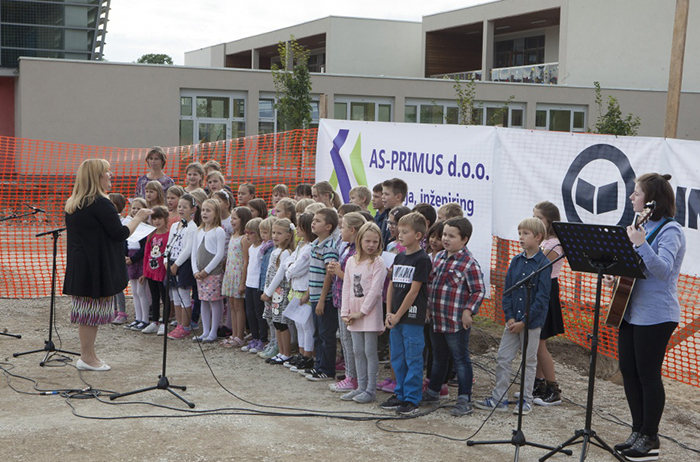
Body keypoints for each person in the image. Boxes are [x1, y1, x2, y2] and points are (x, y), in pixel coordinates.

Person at [605, 173, 686, 461]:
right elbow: (634, 266)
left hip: (656, 315)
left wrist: (641, 244)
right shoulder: (641, 225)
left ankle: (651, 437)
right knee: (628, 370)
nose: (631, 197)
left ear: (652, 200)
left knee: (648, 375)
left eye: (636, 193)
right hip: (630, 311)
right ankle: (637, 430)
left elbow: (663, 270)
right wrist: (615, 275)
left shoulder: (671, 230)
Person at [63, 158, 152, 371]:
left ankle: (89, 355)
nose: (110, 175)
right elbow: (120, 233)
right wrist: (139, 217)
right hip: (94, 266)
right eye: (107, 172)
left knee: (87, 312)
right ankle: (87, 357)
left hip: (82, 265)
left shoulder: (75, 202)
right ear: (97, 176)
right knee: (89, 314)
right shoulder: (100, 203)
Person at [474, 217, 551, 415]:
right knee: (503, 357)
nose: (521, 237)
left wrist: (524, 321)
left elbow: (542, 298)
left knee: (528, 361)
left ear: (538, 237)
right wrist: (509, 316)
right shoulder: (516, 261)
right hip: (512, 321)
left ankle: (526, 400)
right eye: (519, 233)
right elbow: (507, 290)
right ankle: (499, 398)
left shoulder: (543, 264)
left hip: (530, 323)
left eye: (525, 234)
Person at [422, 217, 486, 416]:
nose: (446, 239)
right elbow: (430, 284)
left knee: (460, 359)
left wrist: (468, 311)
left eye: (451, 236)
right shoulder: (438, 258)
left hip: (455, 321)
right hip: (437, 319)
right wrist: (427, 308)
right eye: (444, 235)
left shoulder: (469, 263)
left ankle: (464, 399)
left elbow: (478, 290)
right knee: (438, 357)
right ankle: (433, 391)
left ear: (464, 239)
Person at [381, 212, 432, 415]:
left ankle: (412, 398)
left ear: (418, 235)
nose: (399, 235)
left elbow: (414, 291)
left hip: (411, 317)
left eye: (404, 232)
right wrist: (389, 312)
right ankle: (400, 393)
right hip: (395, 317)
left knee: (413, 358)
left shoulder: (422, 259)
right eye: (399, 231)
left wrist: (398, 314)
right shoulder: (399, 256)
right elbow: (392, 285)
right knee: (398, 357)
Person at [340, 222, 387, 404]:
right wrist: (345, 312)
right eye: (367, 241)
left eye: (375, 241)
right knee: (357, 350)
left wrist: (362, 312)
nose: (371, 245)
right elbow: (347, 287)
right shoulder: (351, 261)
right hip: (353, 313)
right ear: (360, 240)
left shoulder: (378, 262)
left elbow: (376, 291)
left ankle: (370, 389)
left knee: (369, 351)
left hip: (369, 313)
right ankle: (360, 386)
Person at [328, 212, 367, 393]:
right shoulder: (346, 248)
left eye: (342, 227)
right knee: (345, 339)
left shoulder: (358, 252)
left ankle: (354, 377)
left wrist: (339, 272)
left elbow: (356, 281)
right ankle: (350, 375)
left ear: (352, 230)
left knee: (350, 340)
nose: (340, 230)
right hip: (341, 298)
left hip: (352, 301)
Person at [532, 200, 566, 406]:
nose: (535, 221)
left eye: (539, 218)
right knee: (537, 341)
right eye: (533, 217)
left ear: (549, 222)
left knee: (540, 343)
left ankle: (553, 389)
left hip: (547, 292)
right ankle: (539, 384)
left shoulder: (553, 244)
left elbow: (536, 264)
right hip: (539, 291)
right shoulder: (545, 242)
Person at [304, 207, 340, 381]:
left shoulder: (329, 247)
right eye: (313, 220)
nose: (313, 223)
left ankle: (327, 369)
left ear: (328, 226)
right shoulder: (315, 244)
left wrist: (321, 299)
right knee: (317, 333)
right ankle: (318, 365)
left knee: (326, 335)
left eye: (318, 221)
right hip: (314, 296)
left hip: (324, 298)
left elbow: (329, 275)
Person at [191, 199, 227, 343]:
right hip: (200, 274)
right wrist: (195, 270)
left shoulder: (219, 231)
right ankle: (205, 331)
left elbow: (219, 254)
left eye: (208, 210)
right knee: (203, 301)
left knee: (214, 301)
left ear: (216, 213)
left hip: (212, 273)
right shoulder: (198, 231)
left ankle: (213, 331)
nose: (204, 213)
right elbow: (194, 252)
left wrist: (206, 270)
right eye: (203, 210)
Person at [284, 212, 316, 372]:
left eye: (299, 226)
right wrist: (290, 268)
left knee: (306, 326)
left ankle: (308, 355)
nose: (296, 228)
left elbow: (296, 268)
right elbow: (288, 261)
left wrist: (290, 269)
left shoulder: (309, 249)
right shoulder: (300, 246)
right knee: (299, 325)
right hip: (296, 289)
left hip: (304, 290)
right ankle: (302, 353)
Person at [261, 218, 296, 364]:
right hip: (271, 292)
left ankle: (286, 352)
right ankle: (280, 351)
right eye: (274, 232)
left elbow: (279, 275)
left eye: (279, 233)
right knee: (276, 322)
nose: (275, 236)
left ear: (288, 235)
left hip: (280, 292)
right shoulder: (275, 251)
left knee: (282, 323)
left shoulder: (286, 253)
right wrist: (266, 290)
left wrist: (268, 292)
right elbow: (269, 273)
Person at [166, 194, 199, 340]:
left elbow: (188, 249)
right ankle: (179, 324)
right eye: (179, 206)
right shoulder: (175, 225)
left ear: (193, 209)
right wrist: (165, 260)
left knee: (184, 295)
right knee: (175, 295)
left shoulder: (192, 228)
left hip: (183, 264)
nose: (181, 209)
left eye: (185, 207)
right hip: (172, 261)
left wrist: (176, 265)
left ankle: (185, 326)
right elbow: (169, 244)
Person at [221, 206, 252, 347]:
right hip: (230, 275)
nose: (232, 221)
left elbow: (246, 261)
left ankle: (240, 335)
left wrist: (242, 282)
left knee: (239, 307)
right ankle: (234, 334)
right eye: (231, 218)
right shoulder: (233, 236)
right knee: (232, 306)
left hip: (238, 276)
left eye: (235, 218)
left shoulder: (244, 239)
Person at [140, 206, 170, 336]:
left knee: (165, 297)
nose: (157, 221)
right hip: (151, 272)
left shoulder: (169, 235)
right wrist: (144, 272)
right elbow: (146, 254)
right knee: (154, 296)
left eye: (159, 218)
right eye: (154, 218)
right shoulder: (151, 235)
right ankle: (155, 321)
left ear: (165, 218)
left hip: (162, 272)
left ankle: (164, 323)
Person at [123, 198, 150, 331]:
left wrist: (133, 259)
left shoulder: (146, 228)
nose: (135, 211)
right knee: (134, 291)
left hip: (139, 260)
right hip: (130, 259)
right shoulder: (129, 224)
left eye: (139, 209)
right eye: (133, 208)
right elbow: (125, 242)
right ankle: (138, 318)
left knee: (141, 291)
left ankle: (145, 319)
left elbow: (145, 248)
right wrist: (125, 256)